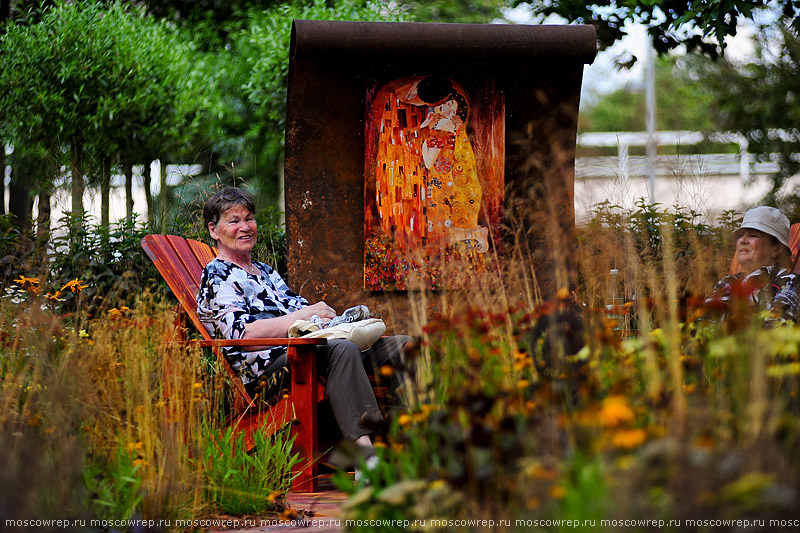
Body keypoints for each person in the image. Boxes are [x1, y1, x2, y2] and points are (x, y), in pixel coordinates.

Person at [195, 187, 412, 462]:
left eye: (249, 218)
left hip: (311, 351)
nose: (245, 227)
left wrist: (331, 318)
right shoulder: (217, 274)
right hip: (270, 370)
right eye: (234, 220)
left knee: (405, 346)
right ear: (214, 230)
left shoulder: (266, 273)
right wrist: (304, 317)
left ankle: (410, 447)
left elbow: (302, 311)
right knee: (341, 350)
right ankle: (367, 458)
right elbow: (242, 334)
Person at [705, 206, 799, 322]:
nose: (742, 240)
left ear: (777, 249)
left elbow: (775, 327)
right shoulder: (726, 283)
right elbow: (702, 322)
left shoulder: (789, 282)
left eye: (753, 235)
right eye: (741, 235)